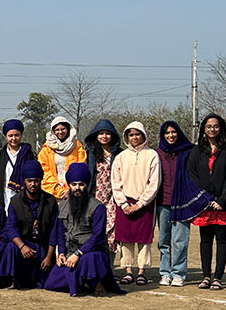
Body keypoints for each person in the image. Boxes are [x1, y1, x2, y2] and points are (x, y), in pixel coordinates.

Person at [44, 163, 124, 296]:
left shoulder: (97, 207)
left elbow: (97, 236)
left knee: (90, 260)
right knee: (51, 283)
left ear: (86, 185)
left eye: (81, 184)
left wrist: (78, 254)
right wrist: (62, 254)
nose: (77, 188)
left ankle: (98, 283)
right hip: (71, 253)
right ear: (69, 185)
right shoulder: (62, 205)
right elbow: (60, 232)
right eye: (74, 184)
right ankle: (84, 281)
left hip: (91, 252)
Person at [187, 113, 226, 291]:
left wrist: (222, 200)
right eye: (209, 126)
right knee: (205, 240)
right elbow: (193, 176)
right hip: (204, 204)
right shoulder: (196, 151)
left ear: (221, 128)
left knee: (222, 239)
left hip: (224, 204)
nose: (212, 129)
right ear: (203, 129)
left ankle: (218, 277)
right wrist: (205, 199)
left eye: (215, 126)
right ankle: (206, 276)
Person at [156, 120, 212, 287]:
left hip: (183, 203)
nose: (170, 135)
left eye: (173, 132)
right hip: (163, 202)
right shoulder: (157, 153)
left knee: (180, 241)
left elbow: (199, 173)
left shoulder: (189, 151)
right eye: (167, 133)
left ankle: (179, 273)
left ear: (178, 133)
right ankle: (165, 273)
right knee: (164, 241)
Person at [111, 121, 161, 286]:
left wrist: (140, 203)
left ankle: (142, 271)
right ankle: (128, 271)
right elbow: (115, 183)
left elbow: (154, 183)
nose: (134, 138)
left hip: (144, 205)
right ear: (126, 137)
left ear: (143, 135)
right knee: (125, 239)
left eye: (137, 134)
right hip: (124, 203)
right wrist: (124, 204)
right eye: (131, 135)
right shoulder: (121, 157)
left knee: (144, 239)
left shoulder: (152, 155)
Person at [0, 160, 58, 289]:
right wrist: (22, 246)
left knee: (45, 284)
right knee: (10, 247)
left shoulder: (50, 201)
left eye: (36, 181)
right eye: (29, 181)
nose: (33, 184)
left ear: (41, 180)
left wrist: (49, 256)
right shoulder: (15, 201)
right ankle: (9, 279)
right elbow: (11, 228)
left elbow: (54, 230)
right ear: (24, 181)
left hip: (42, 247)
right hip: (24, 245)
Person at [84, 119, 122, 260]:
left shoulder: (119, 154)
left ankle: (110, 268)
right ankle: (95, 265)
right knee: (94, 230)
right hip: (94, 197)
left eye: (107, 133)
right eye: (101, 133)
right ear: (95, 135)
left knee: (111, 232)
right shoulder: (90, 154)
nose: (104, 136)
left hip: (113, 197)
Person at [0, 119, 36, 212]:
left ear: (21, 135)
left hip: (25, 198)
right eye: (10, 136)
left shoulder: (29, 154)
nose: (13, 138)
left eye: (16, 135)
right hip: (4, 196)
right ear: (6, 136)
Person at [38, 116, 86, 200]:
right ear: (53, 131)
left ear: (68, 129)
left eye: (63, 129)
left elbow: (81, 168)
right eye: (57, 129)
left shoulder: (77, 146)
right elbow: (45, 172)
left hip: (73, 191)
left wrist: (71, 189)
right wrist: (59, 191)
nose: (60, 132)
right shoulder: (46, 149)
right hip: (51, 191)